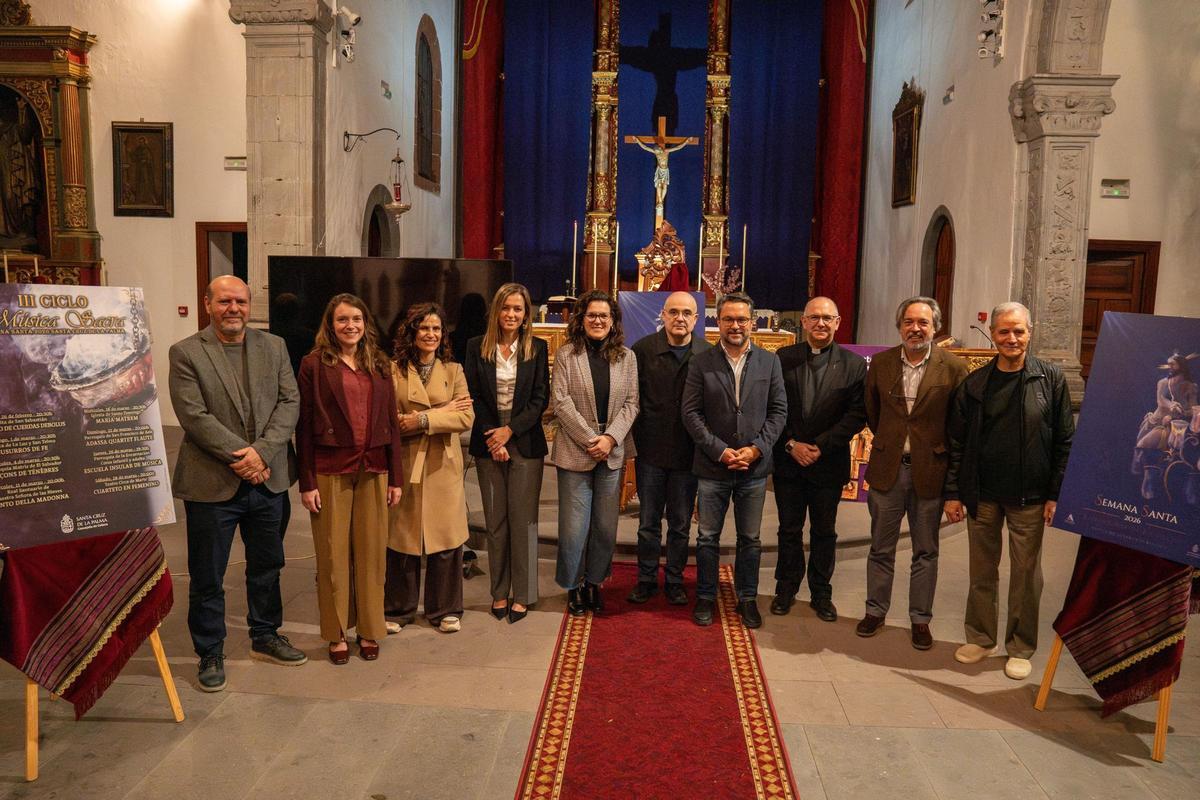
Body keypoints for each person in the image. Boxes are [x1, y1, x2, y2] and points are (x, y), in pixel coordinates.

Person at [169, 275, 306, 693]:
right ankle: (210, 650)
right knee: (208, 574)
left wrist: (262, 452)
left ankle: (265, 634)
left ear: (250, 305)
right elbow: (194, 417)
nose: (234, 308)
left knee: (268, 565)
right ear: (207, 303)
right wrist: (243, 457)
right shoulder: (187, 353)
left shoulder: (275, 346)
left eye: (241, 301)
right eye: (225, 301)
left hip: (269, 481)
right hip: (213, 484)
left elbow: (290, 402)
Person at [945, 302, 1074, 680]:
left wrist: (1056, 494)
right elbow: (957, 443)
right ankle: (982, 638)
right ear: (994, 335)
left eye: (1018, 331)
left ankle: (1020, 646)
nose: (1011, 338)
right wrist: (954, 492)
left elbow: (1065, 440)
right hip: (983, 493)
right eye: (1004, 331)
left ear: (1029, 333)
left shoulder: (1050, 379)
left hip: (1030, 497)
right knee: (982, 571)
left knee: (1026, 574)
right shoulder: (976, 383)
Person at [296, 294, 403, 664]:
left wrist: (396, 478)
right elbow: (305, 426)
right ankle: (337, 632)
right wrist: (306, 481)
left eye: (356, 318)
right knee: (332, 555)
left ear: (365, 322)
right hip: (329, 470)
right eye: (342, 320)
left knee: (372, 555)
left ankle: (371, 628)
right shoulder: (313, 365)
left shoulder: (380, 363)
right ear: (331, 324)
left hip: (374, 468)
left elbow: (391, 423)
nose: (350, 326)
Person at [857, 296, 968, 650]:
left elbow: (958, 424)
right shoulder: (882, 363)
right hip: (889, 468)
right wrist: (894, 441)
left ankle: (920, 619)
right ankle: (875, 610)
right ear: (899, 325)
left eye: (923, 322)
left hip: (931, 472)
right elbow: (873, 413)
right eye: (909, 321)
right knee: (880, 548)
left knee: (926, 551)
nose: (915, 328)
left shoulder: (952, 368)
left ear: (935, 327)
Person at [682, 291, 787, 628]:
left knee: (750, 539)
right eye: (729, 319)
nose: (736, 325)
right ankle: (706, 597)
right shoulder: (701, 362)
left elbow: (778, 411)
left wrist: (757, 448)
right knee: (708, 537)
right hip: (713, 467)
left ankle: (747, 598)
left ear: (752, 322)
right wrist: (720, 450)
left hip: (754, 468)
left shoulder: (770, 362)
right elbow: (691, 412)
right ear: (718, 321)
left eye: (742, 319)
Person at [770, 297, 867, 623]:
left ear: (838, 322)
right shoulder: (783, 358)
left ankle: (821, 593)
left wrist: (821, 446)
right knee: (789, 530)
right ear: (804, 322)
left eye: (827, 318)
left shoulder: (854, 365)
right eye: (814, 318)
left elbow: (857, 414)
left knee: (825, 531)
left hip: (828, 463)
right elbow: (773, 408)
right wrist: (791, 445)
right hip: (789, 461)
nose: (821, 324)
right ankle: (785, 588)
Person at [463, 283, 550, 624]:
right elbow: (472, 393)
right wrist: (493, 439)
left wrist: (509, 431)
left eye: (518, 309)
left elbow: (540, 398)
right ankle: (499, 591)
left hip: (524, 440)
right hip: (488, 440)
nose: (512, 315)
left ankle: (524, 594)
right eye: (506, 308)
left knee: (523, 521)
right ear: (496, 311)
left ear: (526, 314)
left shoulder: (537, 348)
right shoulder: (475, 347)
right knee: (496, 522)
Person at [386, 303, 475, 632]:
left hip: (443, 465)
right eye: (424, 328)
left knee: (445, 539)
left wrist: (422, 418)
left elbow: (466, 417)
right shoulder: (392, 370)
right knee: (401, 539)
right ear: (412, 331)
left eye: (437, 329)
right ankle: (398, 609)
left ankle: (445, 610)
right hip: (405, 462)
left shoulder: (454, 371)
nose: (431, 334)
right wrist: (444, 409)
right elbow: (389, 421)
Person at [551, 290, 639, 616]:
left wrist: (611, 439)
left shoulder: (626, 357)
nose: (598, 320)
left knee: (604, 526)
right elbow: (560, 402)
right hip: (576, 449)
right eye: (592, 315)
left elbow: (633, 403)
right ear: (582, 319)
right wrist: (592, 439)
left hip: (612, 450)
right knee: (574, 527)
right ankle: (573, 586)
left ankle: (595, 582)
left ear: (613, 321)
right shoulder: (567, 355)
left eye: (604, 316)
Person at [627, 291, 710, 605]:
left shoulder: (706, 353)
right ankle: (646, 578)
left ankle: (674, 579)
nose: (680, 318)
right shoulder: (642, 351)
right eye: (673, 312)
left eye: (686, 313)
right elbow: (632, 401)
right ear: (662, 315)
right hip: (650, 452)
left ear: (696, 318)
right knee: (648, 523)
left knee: (679, 523)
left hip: (688, 455)